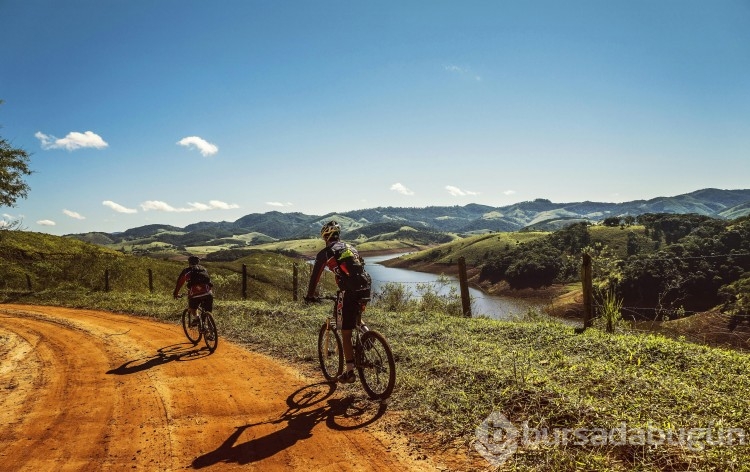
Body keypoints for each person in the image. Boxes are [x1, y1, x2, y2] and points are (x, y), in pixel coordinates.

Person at [305, 220, 372, 384]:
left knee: (345, 331)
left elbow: (315, 277)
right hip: (366, 286)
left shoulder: (326, 253)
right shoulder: (351, 248)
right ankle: (368, 335)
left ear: (325, 237)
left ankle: (349, 372)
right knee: (355, 317)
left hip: (348, 291)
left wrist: (310, 296)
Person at [173, 255, 214, 326]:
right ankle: (210, 332)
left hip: (195, 294)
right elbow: (209, 282)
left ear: (189, 263)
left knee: (193, 308)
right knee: (208, 312)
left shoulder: (186, 271)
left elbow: (179, 283)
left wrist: (176, 293)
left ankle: (197, 318)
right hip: (208, 293)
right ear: (198, 262)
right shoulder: (204, 269)